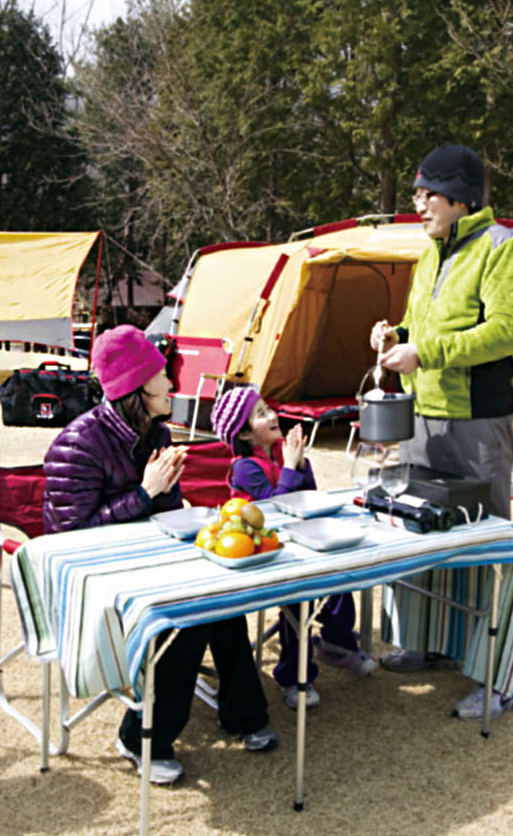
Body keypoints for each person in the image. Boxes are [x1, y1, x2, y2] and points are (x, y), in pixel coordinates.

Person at [43, 325, 277, 785]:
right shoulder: (76, 445)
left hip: (148, 559)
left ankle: (243, 713)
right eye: (161, 378)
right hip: (93, 575)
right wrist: (145, 493)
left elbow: (166, 512)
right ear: (136, 388)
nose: (172, 384)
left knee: (222, 591)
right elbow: (70, 537)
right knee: (184, 617)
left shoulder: (156, 431)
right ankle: (142, 738)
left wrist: (167, 503)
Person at [369, 143, 513, 718]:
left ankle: (500, 678)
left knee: (488, 544)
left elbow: (505, 332)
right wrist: (395, 334)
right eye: (416, 194)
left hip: (478, 420)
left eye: (426, 195)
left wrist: (427, 351)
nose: (418, 205)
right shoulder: (430, 253)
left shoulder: (504, 250)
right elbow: (422, 323)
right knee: (420, 531)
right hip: (424, 415)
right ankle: (429, 643)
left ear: (459, 198)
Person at [210, 386, 377, 710]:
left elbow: (307, 496)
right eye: (260, 414)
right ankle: (293, 676)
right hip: (265, 553)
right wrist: (289, 467)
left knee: (340, 577)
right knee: (298, 602)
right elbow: (270, 511)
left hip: (299, 543)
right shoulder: (244, 466)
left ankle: (337, 643)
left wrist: (300, 465)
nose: (272, 416)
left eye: (268, 409)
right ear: (244, 433)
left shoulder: (278, 454)